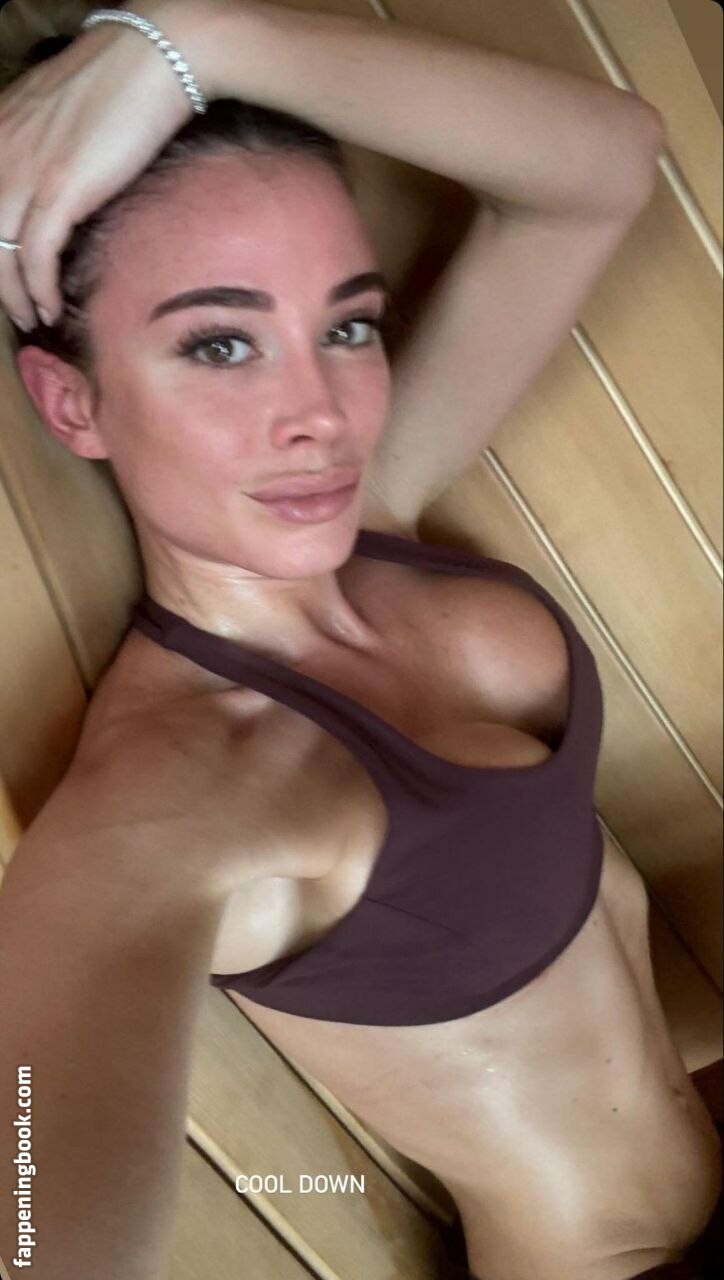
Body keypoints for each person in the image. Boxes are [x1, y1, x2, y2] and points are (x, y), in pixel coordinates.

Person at [0, 3, 719, 1279]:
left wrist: (184, 42)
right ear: (73, 401)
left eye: (346, 326)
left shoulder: (367, 513)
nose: (320, 415)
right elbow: (42, 1218)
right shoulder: (174, 799)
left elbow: (603, 162)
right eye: (220, 343)